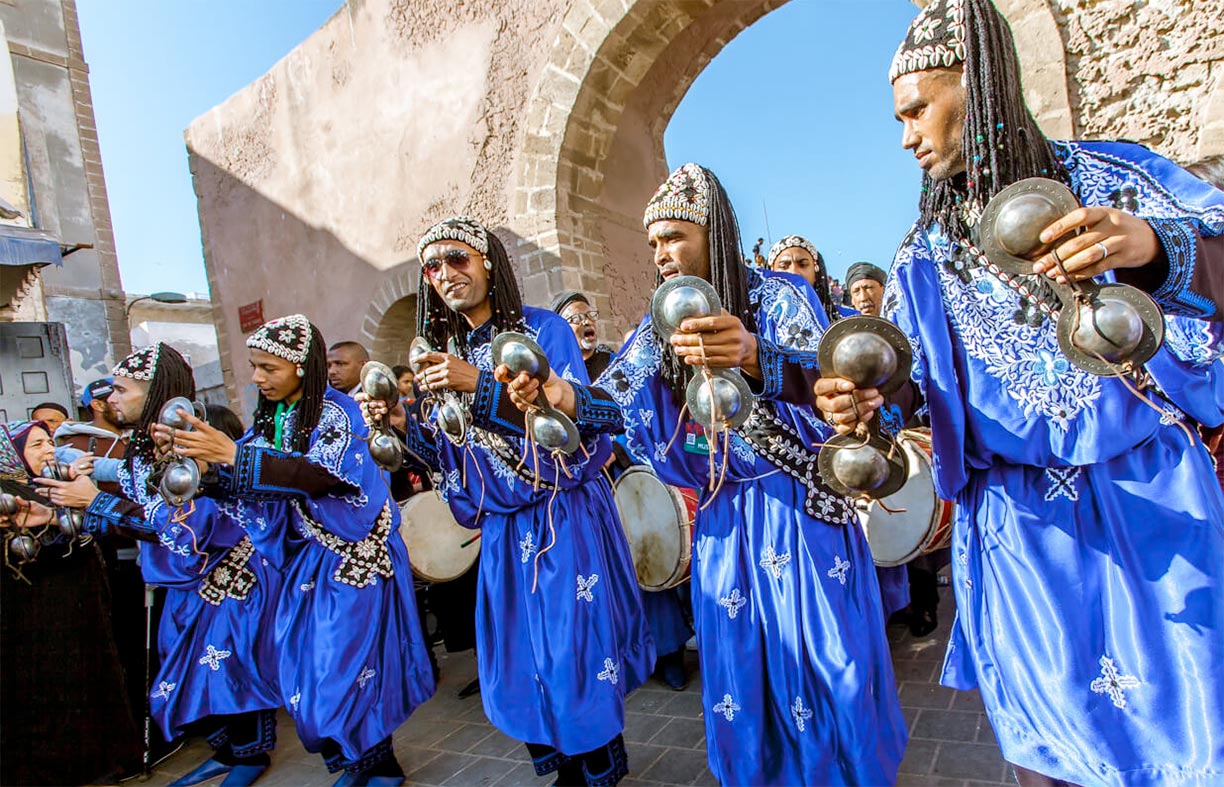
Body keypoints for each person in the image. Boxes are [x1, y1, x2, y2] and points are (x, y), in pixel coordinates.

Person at [816, 2, 1224, 784]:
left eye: (916, 110)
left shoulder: (1114, 177)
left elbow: (1212, 252)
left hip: (1151, 505)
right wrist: (862, 406)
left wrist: (1149, 248)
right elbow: (908, 390)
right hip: (1018, 533)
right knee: (1055, 754)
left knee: (1192, 735)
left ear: (982, 85)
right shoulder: (921, 257)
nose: (905, 136)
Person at [502, 165, 906, 786]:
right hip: (723, 524)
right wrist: (563, 395)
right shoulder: (655, 332)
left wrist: (752, 355)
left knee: (831, 668)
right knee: (743, 674)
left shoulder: (777, 296)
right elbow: (613, 404)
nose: (662, 254)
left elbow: (833, 380)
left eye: (674, 236)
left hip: (800, 516)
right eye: (654, 243)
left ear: (711, 230)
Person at [375, 216, 653, 786]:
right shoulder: (445, 353)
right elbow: (447, 449)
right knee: (525, 660)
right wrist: (405, 422)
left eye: (458, 258)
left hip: (563, 516)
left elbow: (587, 423)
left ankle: (597, 770)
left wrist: (476, 385)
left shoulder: (544, 330)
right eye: (433, 267)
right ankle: (562, 766)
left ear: (487, 263)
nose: (446, 274)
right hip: (504, 532)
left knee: (574, 654)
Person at [167, 316, 436, 787]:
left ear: (298, 368)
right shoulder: (272, 421)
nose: (257, 378)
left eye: (268, 367)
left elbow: (319, 476)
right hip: (306, 563)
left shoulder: (336, 413)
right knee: (309, 672)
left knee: (345, 669)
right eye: (254, 367)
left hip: (354, 559)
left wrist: (234, 457)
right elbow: (249, 477)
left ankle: (381, 767)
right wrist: (206, 470)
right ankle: (364, 765)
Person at [38, 344, 285, 787]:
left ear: (154, 394)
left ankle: (250, 757)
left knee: (228, 672)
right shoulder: (144, 448)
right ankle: (227, 752)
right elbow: (139, 498)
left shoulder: (186, 445)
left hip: (225, 582)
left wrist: (96, 501)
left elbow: (185, 529)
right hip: (181, 584)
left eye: (120, 389)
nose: (109, 399)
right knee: (182, 674)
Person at [553, 290, 694, 690]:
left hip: (631, 476)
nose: (584, 323)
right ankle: (628, 654)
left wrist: (618, 449)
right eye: (573, 319)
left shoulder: (619, 366)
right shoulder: (558, 377)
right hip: (586, 489)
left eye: (588, 315)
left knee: (647, 560)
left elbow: (642, 417)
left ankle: (668, 653)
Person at [1, 420, 144, 786]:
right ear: (10, 455)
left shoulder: (61, 492)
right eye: (36, 445)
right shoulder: (8, 503)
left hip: (83, 626)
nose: (49, 449)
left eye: (49, 441)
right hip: (35, 637)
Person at [766, 234, 851, 324]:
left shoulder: (848, 320)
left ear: (816, 271)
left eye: (803, 265)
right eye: (784, 266)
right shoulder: (756, 322)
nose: (794, 272)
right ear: (771, 272)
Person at [551, 291, 617, 384]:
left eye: (590, 315)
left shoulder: (613, 365)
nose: (587, 322)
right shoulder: (556, 374)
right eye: (577, 318)